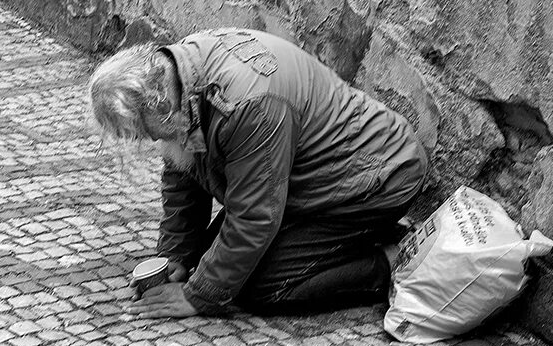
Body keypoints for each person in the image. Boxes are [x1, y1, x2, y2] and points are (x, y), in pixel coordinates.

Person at [88, 27, 428, 319]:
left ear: (159, 105)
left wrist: (198, 296)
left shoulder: (250, 106)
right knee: (214, 259)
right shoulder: (177, 76)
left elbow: (255, 216)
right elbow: (184, 172)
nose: (145, 140)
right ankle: (353, 241)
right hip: (307, 183)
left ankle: (393, 257)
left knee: (260, 287)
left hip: (377, 178)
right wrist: (176, 255)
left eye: (139, 130)